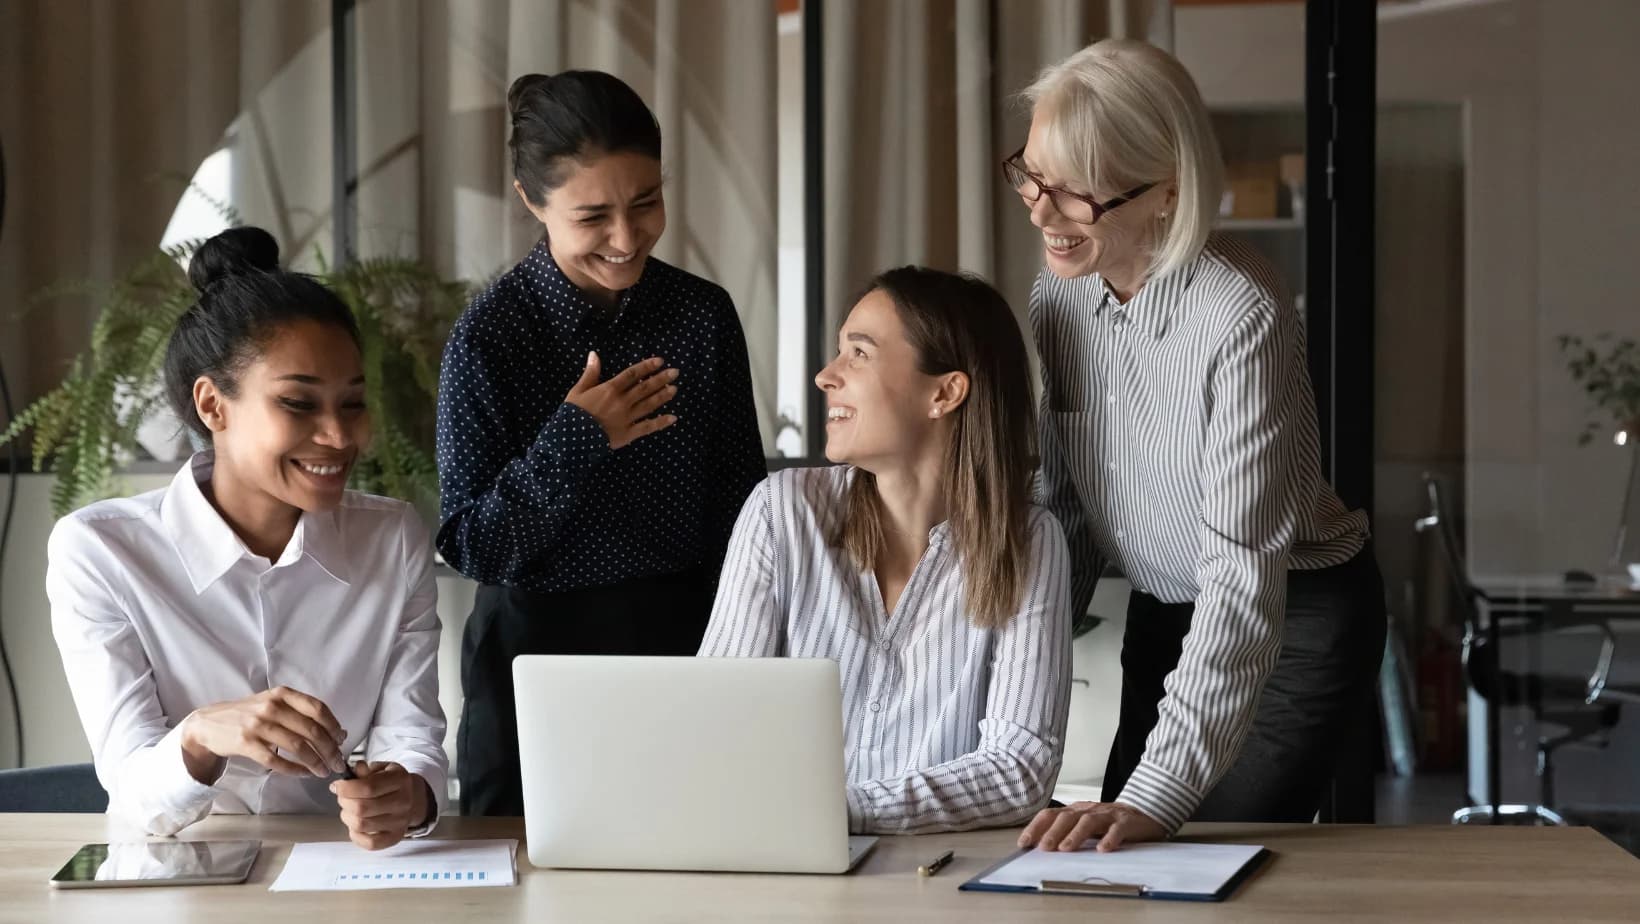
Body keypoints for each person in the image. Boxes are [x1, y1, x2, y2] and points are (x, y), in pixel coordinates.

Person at [1007, 39, 1387, 853]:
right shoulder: (1058, 297)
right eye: (1032, 175)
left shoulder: (1241, 311)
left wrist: (1162, 788)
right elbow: (1066, 507)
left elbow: (1243, 576)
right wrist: (1020, 679)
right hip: (1165, 606)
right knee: (1110, 858)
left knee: (1199, 851)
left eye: (1076, 194)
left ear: (1167, 195)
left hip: (1290, 616)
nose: (1040, 211)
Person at [47, 227, 447, 849]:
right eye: (298, 404)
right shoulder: (101, 552)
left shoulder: (391, 538)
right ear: (213, 405)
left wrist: (408, 795)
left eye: (352, 404)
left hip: (341, 873)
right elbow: (132, 793)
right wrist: (202, 734)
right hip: (178, 873)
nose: (339, 437)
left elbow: (412, 739)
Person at [436, 70, 766, 816]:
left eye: (646, 203)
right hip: (533, 658)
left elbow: (743, 510)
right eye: (593, 216)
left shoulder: (701, 315)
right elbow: (471, 546)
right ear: (532, 202)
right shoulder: (489, 339)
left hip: (686, 647)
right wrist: (578, 438)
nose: (627, 238)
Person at [699, 267, 1072, 834]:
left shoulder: (1029, 540)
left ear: (944, 393)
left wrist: (837, 812)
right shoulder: (783, 512)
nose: (826, 376)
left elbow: (1020, 767)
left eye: (859, 354)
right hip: (785, 868)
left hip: (950, 884)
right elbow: (713, 722)